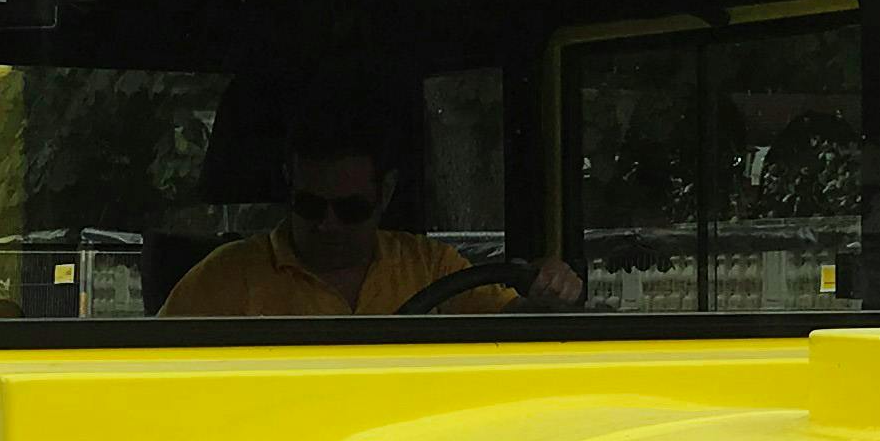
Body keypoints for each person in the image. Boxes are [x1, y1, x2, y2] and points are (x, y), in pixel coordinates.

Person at [160, 112, 584, 320]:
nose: (327, 224)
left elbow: (514, 326)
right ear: (289, 184)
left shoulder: (430, 266)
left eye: (351, 209)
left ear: (388, 192)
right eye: (310, 205)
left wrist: (551, 289)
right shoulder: (222, 280)